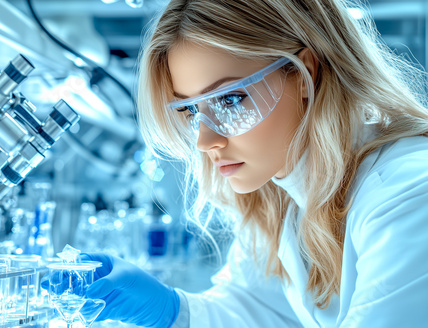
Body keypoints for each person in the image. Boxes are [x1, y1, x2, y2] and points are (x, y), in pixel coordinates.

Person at [76, 0, 428, 327]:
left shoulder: (409, 194)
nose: (205, 141)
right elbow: (253, 309)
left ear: (306, 71)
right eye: (189, 110)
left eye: (230, 99)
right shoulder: (282, 193)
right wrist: (173, 311)